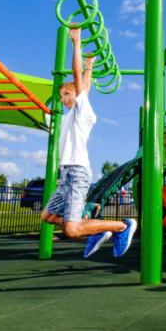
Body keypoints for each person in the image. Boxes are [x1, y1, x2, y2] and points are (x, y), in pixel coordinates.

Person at [40, 27, 136, 258]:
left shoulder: (83, 112)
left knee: (71, 230)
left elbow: (78, 78)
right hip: (66, 175)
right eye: (61, 96)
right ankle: (94, 227)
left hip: (78, 172)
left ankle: (121, 226)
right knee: (47, 217)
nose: (63, 100)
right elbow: (85, 84)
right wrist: (91, 66)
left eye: (67, 95)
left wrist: (76, 42)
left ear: (77, 95)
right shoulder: (68, 118)